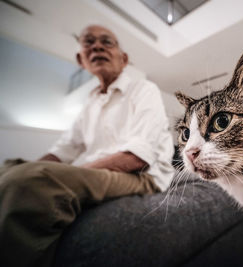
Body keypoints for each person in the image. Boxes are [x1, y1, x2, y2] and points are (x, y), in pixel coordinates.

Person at [0, 25, 175, 267]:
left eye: (107, 42)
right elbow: (62, 150)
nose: (97, 46)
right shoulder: (89, 103)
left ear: (124, 59)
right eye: (88, 42)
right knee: (9, 168)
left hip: (142, 176)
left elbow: (137, 157)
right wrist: (27, 168)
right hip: (100, 171)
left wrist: (67, 174)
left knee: (30, 183)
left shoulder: (144, 90)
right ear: (81, 60)